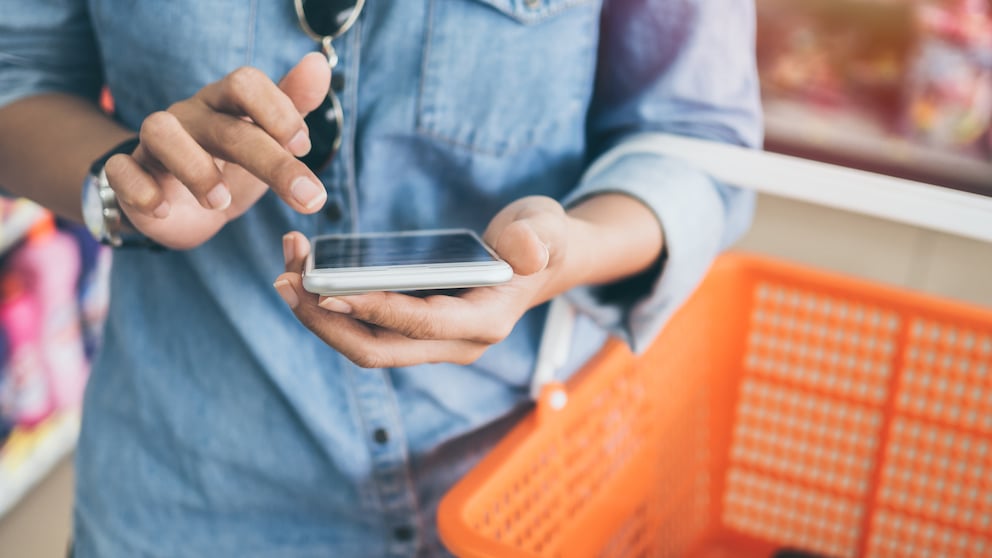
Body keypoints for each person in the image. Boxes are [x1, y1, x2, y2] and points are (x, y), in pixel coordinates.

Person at [0, 0, 761, 555]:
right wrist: (124, 189)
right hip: (182, 497)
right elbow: (17, 73)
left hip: (523, 491)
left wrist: (564, 251)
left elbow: (695, 136)